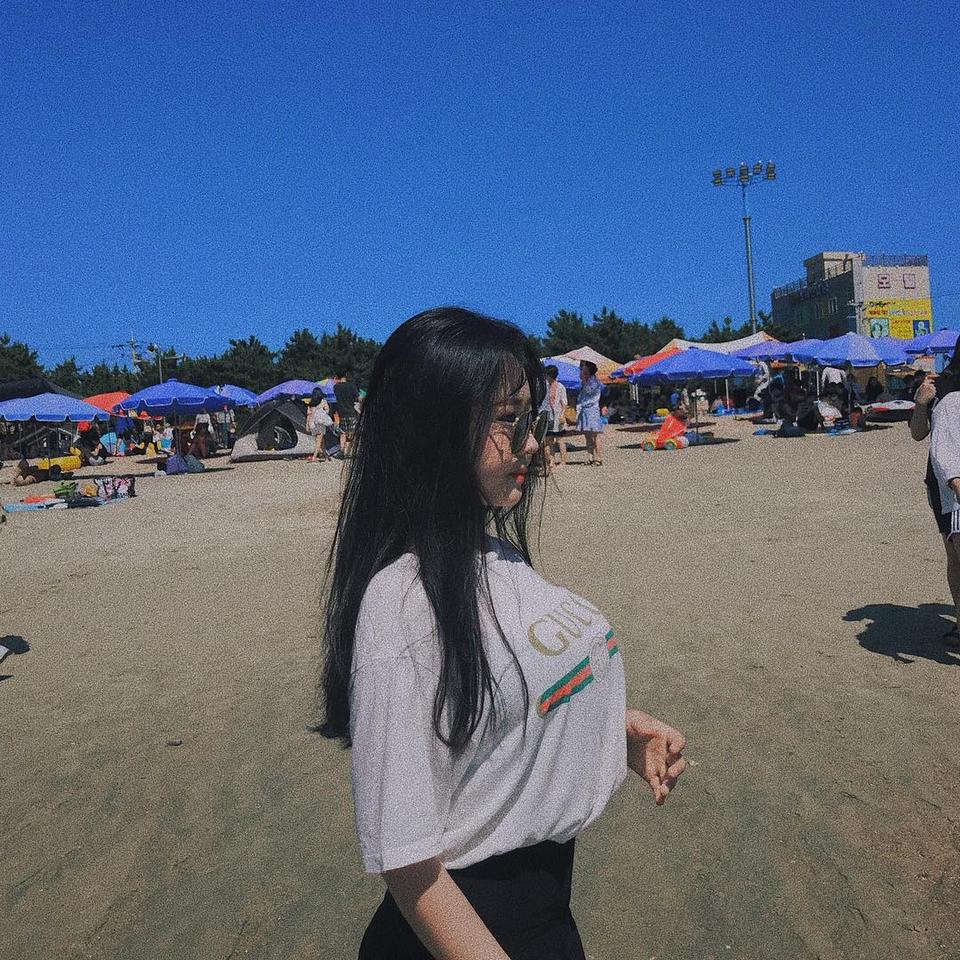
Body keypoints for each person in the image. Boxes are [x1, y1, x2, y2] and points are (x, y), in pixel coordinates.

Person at [318, 307, 686, 960]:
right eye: (508, 420)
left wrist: (613, 729)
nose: (532, 445)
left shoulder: (496, 556)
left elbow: (501, 701)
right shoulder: (398, 604)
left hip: (548, 919)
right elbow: (408, 861)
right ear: (434, 427)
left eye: (531, 420)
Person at [911, 358, 960, 647]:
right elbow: (918, 433)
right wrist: (921, 404)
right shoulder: (941, 386)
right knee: (954, 555)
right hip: (945, 482)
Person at [539, 365, 568, 473]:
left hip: (558, 415)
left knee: (560, 440)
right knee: (548, 440)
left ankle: (563, 462)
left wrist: (562, 415)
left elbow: (564, 402)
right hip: (549, 416)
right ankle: (552, 462)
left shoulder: (560, 387)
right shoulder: (545, 386)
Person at [576, 360, 605, 466]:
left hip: (592, 410)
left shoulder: (594, 381)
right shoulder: (585, 381)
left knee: (595, 434)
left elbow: (589, 392)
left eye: (584, 368)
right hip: (584, 410)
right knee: (587, 435)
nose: (582, 370)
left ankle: (598, 457)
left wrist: (584, 379)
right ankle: (590, 457)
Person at [333, 378, 361, 456]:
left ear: (337, 378)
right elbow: (359, 398)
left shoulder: (336, 387)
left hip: (342, 414)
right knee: (352, 434)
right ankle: (352, 451)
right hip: (351, 413)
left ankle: (342, 451)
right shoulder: (352, 386)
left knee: (342, 433)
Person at [306, 388, 333, 462]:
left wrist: (307, 425)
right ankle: (314, 457)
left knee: (321, 441)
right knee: (319, 441)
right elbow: (327, 410)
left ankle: (326, 456)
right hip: (320, 422)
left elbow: (308, 415)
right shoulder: (323, 401)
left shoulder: (310, 403)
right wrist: (322, 413)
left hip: (312, 423)